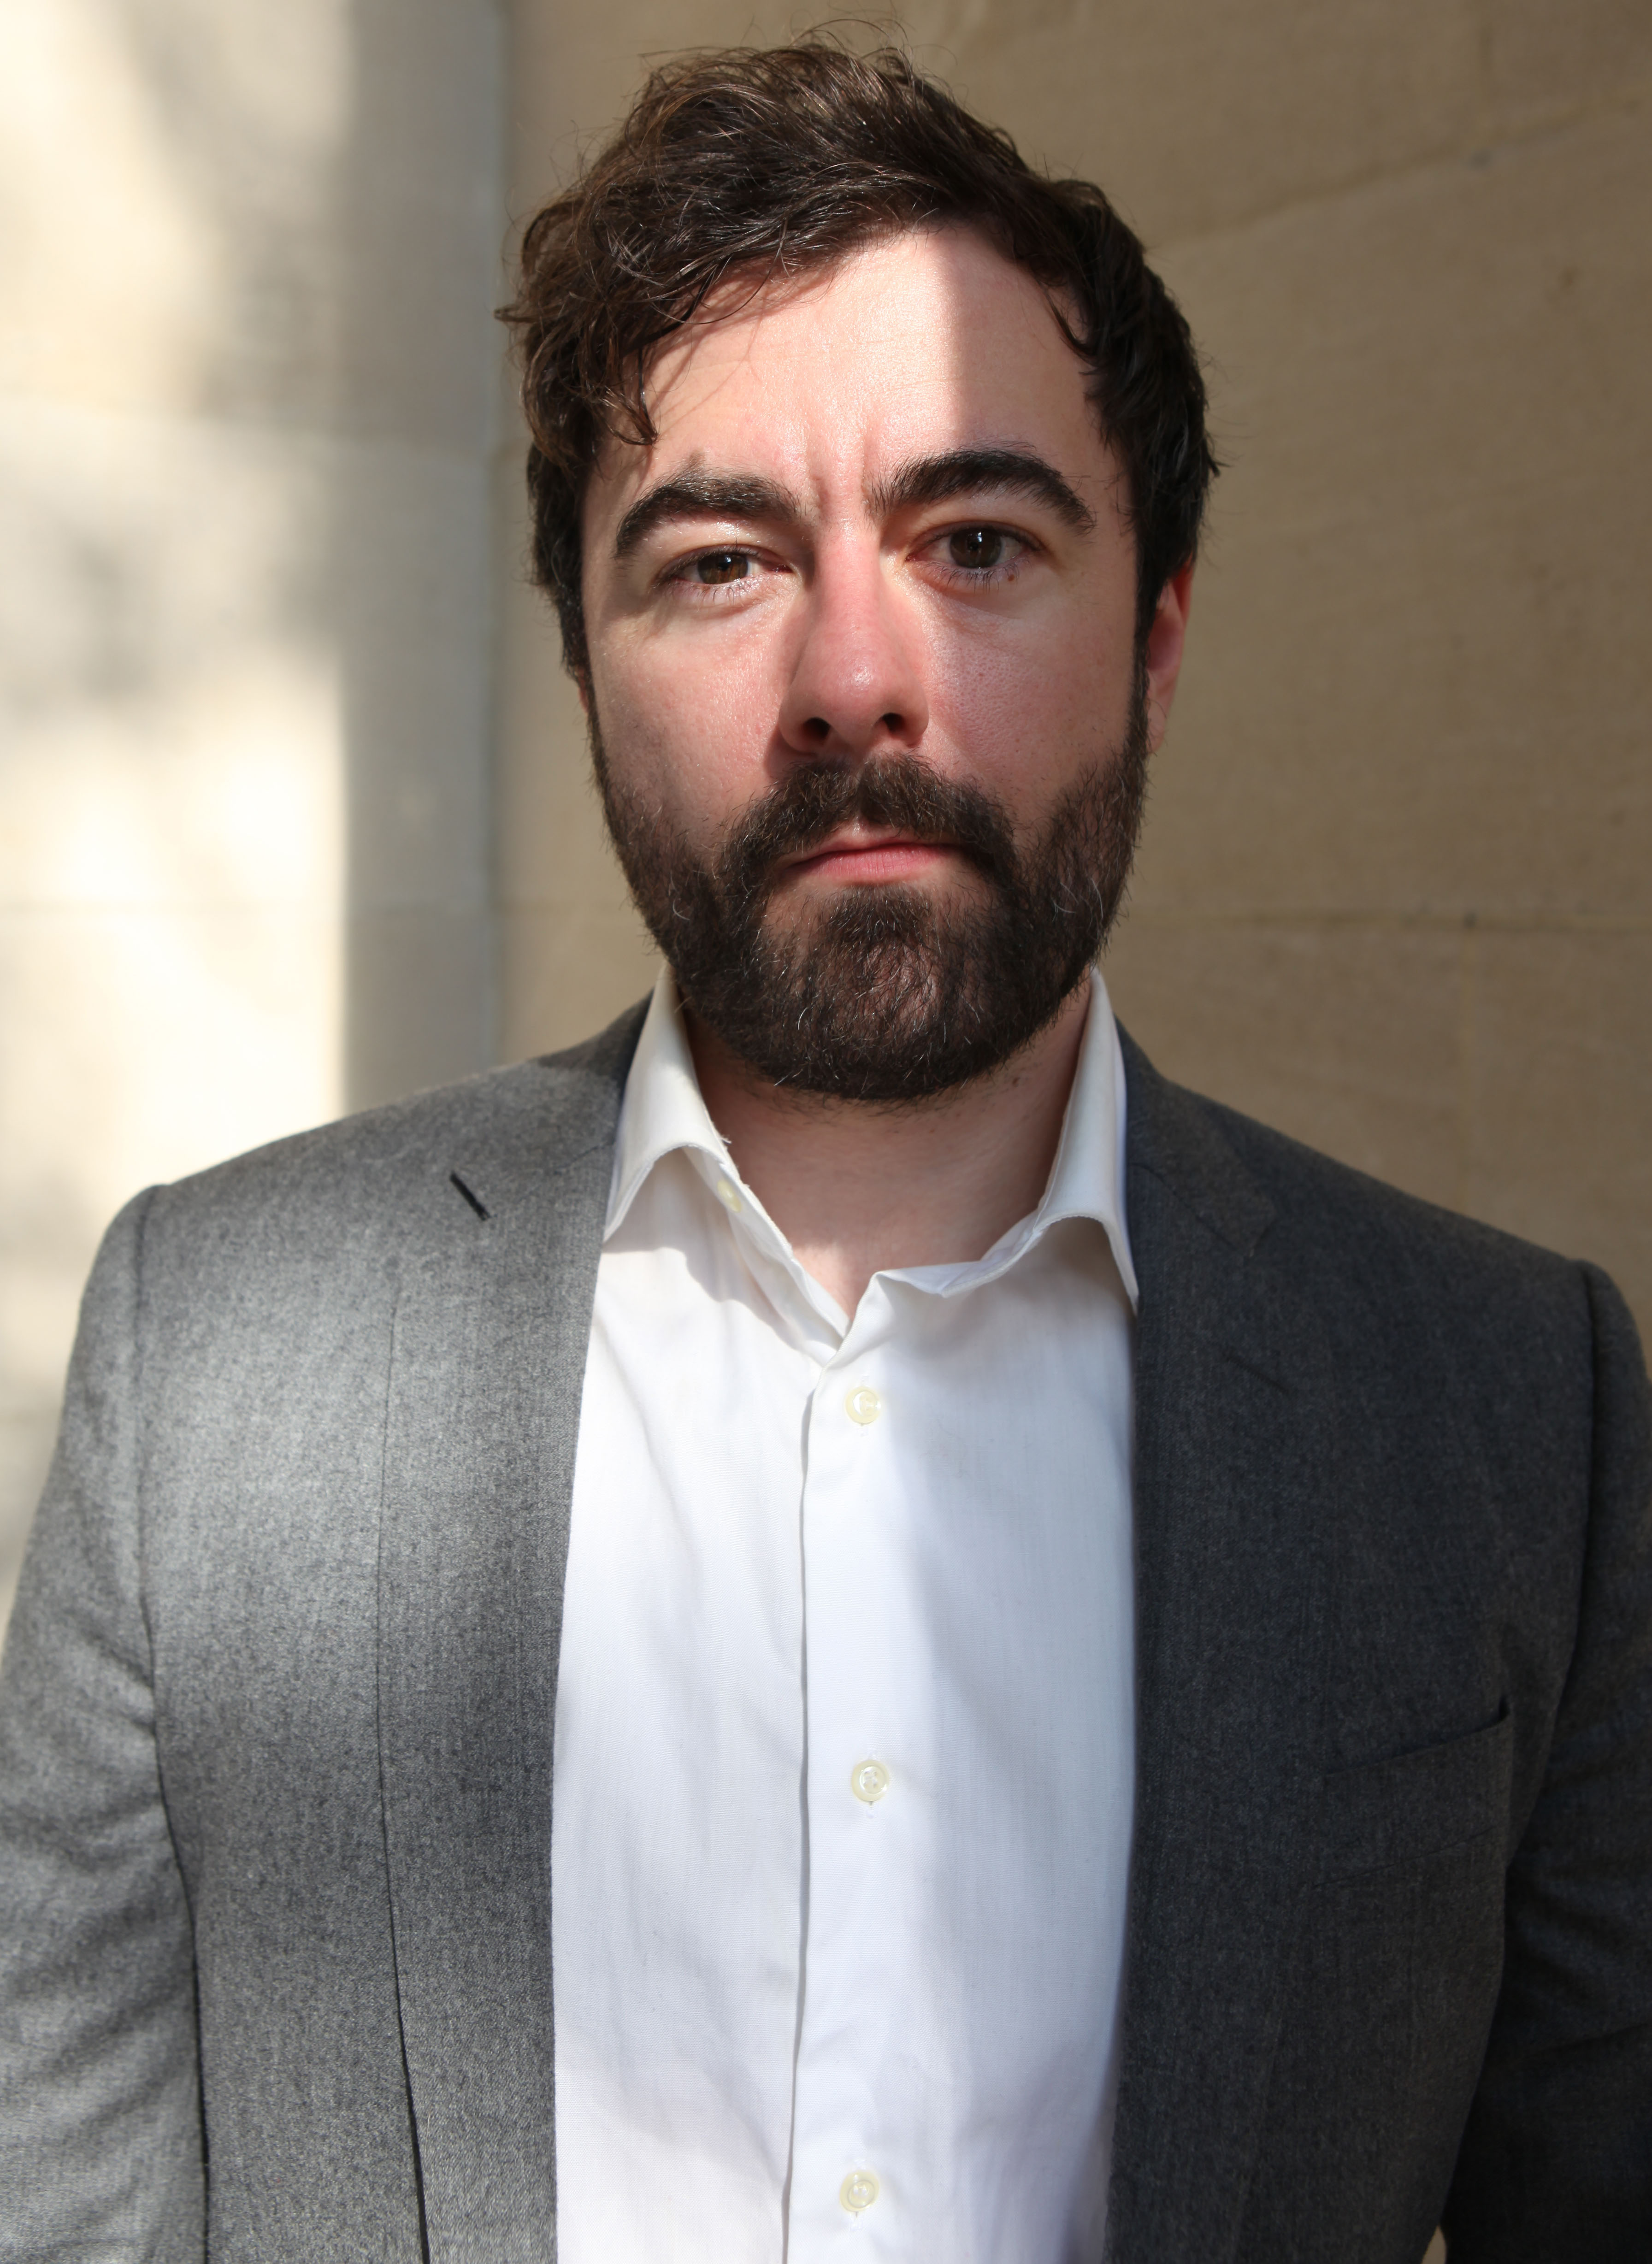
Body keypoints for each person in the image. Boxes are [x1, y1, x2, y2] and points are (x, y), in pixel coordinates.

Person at [0, 39, 1648, 2264]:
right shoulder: (213, 1361)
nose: (856, 678)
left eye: (975, 544)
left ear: (1155, 642)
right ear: (583, 659)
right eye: (714, 559)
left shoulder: (1501, 1412)